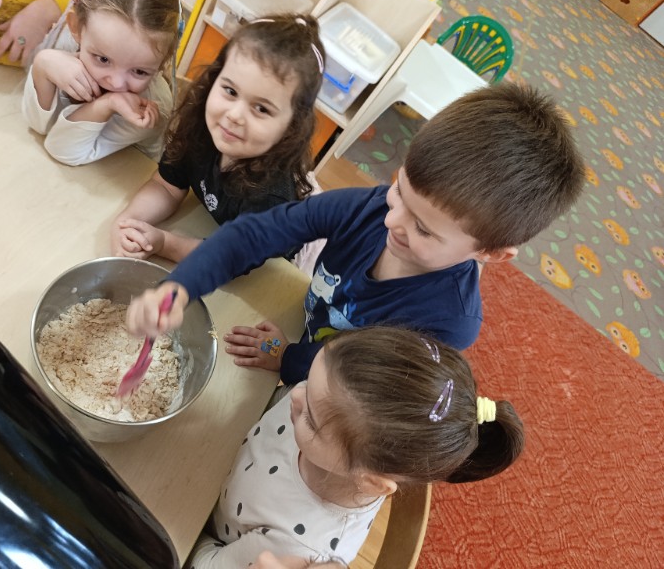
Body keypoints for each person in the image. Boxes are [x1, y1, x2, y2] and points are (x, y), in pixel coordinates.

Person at [125, 82, 585, 385]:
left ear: (491, 253)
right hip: (305, 327)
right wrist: (179, 288)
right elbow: (256, 234)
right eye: (400, 190)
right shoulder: (367, 207)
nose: (392, 222)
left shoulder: (449, 324)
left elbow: (358, 377)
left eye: (423, 229)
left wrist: (289, 359)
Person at [186, 326, 525, 568]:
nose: (295, 394)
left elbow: (202, 562)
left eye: (311, 419)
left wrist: (184, 508)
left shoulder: (296, 547)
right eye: (309, 378)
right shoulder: (328, 409)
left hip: (197, 522)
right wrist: (282, 352)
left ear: (371, 481)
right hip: (217, 458)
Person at [109, 13, 324, 262]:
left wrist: (164, 244)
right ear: (214, 79)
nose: (234, 115)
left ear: (291, 127)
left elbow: (230, 257)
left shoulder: (271, 197)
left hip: (302, 260)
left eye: (261, 108)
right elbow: (167, 185)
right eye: (230, 91)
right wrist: (128, 221)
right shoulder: (201, 125)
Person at [21, 0, 180, 165]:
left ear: (163, 61)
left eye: (140, 71)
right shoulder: (70, 44)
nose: (116, 82)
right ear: (76, 27)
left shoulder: (150, 107)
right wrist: (43, 64)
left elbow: (61, 150)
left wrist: (106, 105)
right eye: (103, 59)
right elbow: (39, 127)